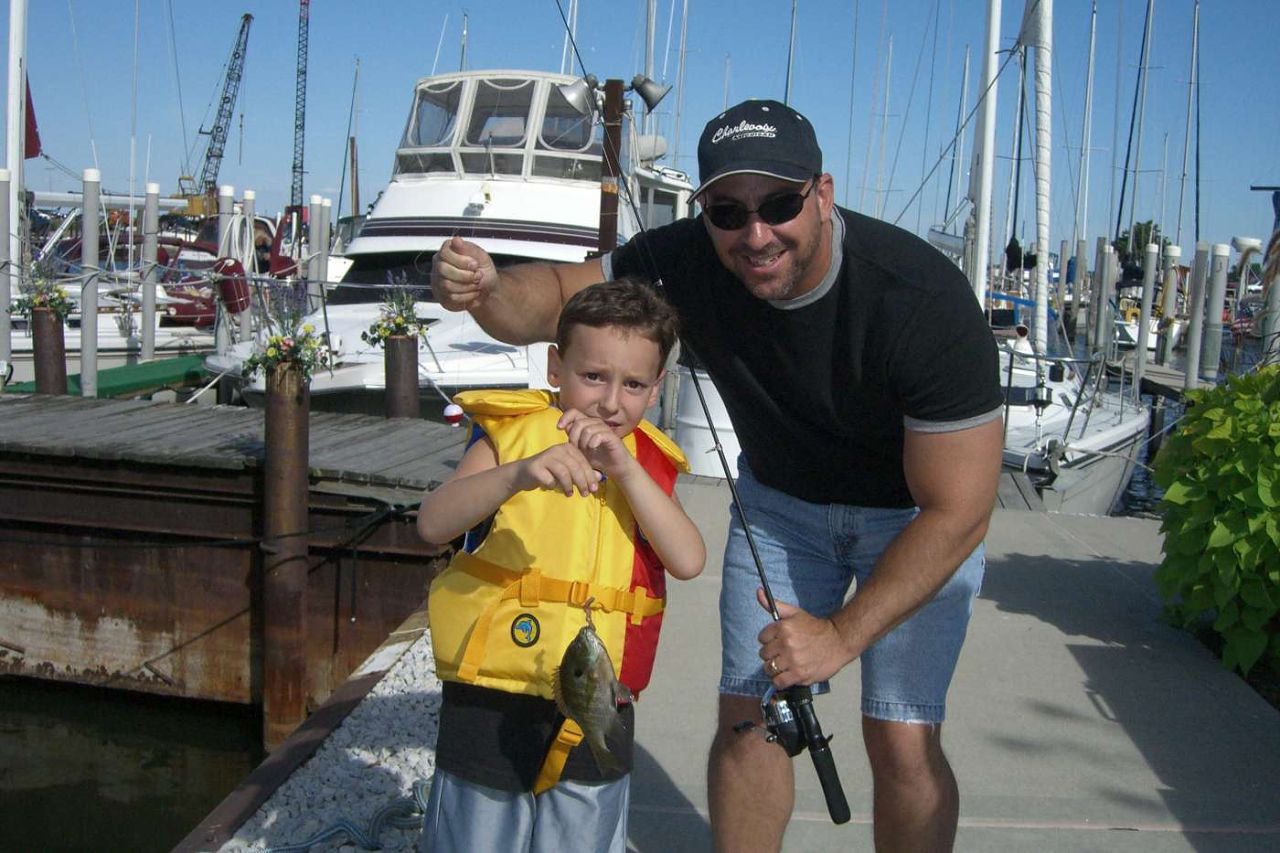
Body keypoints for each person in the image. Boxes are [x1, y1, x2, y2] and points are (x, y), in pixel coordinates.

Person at [431, 98, 1004, 852]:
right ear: (706, 213)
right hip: (782, 508)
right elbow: (560, 300)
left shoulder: (922, 300)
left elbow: (961, 509)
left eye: (780, 204)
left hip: (913, 517)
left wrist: (839, 634)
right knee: (751, 719)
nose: (755, 233)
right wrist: (488, 290)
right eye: (728, 212)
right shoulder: (688, 258)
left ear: (823, 195)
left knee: (901, 734)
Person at [416, 278, 706, 852]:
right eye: (593, 376)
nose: (610, 402)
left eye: (633, 384)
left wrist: (626, 471)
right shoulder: (510, 440)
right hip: (491, 695)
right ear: (555, 367)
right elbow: (433, 523)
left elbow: (689, 559)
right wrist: (518, 473)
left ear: (656, 390)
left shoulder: (644, 464)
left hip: (597, 698)